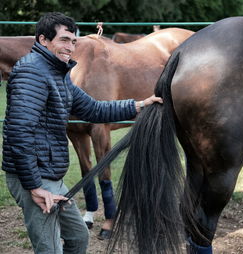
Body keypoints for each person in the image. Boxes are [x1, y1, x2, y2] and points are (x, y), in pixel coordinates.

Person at [1, 12, 163, 254]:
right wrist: (35, 186)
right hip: (33, 178)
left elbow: (92, 108)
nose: (71, 47)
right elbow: (18, 133)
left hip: (50, 175)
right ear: (43, 40)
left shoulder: (58, 73)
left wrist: (138, 105)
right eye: (64, 40)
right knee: (50, 250)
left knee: (78, 237)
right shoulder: (32, 73)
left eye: (74, 41)